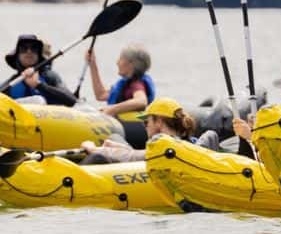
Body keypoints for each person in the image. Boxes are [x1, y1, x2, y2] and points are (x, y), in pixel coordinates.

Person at [82, 97, 223, 163]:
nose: (145, 126)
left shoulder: (163, 142)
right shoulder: (187, 142)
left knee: (98, 157)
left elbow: (133, 157)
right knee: (114, 140)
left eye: (146, 122)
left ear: (159, 121)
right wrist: (117, 147)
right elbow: (141, 154)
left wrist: (95, 149)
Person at [85, 43, 155, 119]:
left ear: (131, 64)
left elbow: (141, 101)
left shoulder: (137, 84)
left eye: (121, 59)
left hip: (129, 127)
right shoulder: (127, 85)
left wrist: (112, 109)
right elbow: (101, 95)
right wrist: (92, 64)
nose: (117, 62)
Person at [4, 34, 73, 105]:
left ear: (39, 55)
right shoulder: (10, 84)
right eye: (23, 48)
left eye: (34, 48)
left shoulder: (50, 77)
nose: (29, 51)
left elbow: (72, 101)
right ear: (17, 56)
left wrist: (38, 85)